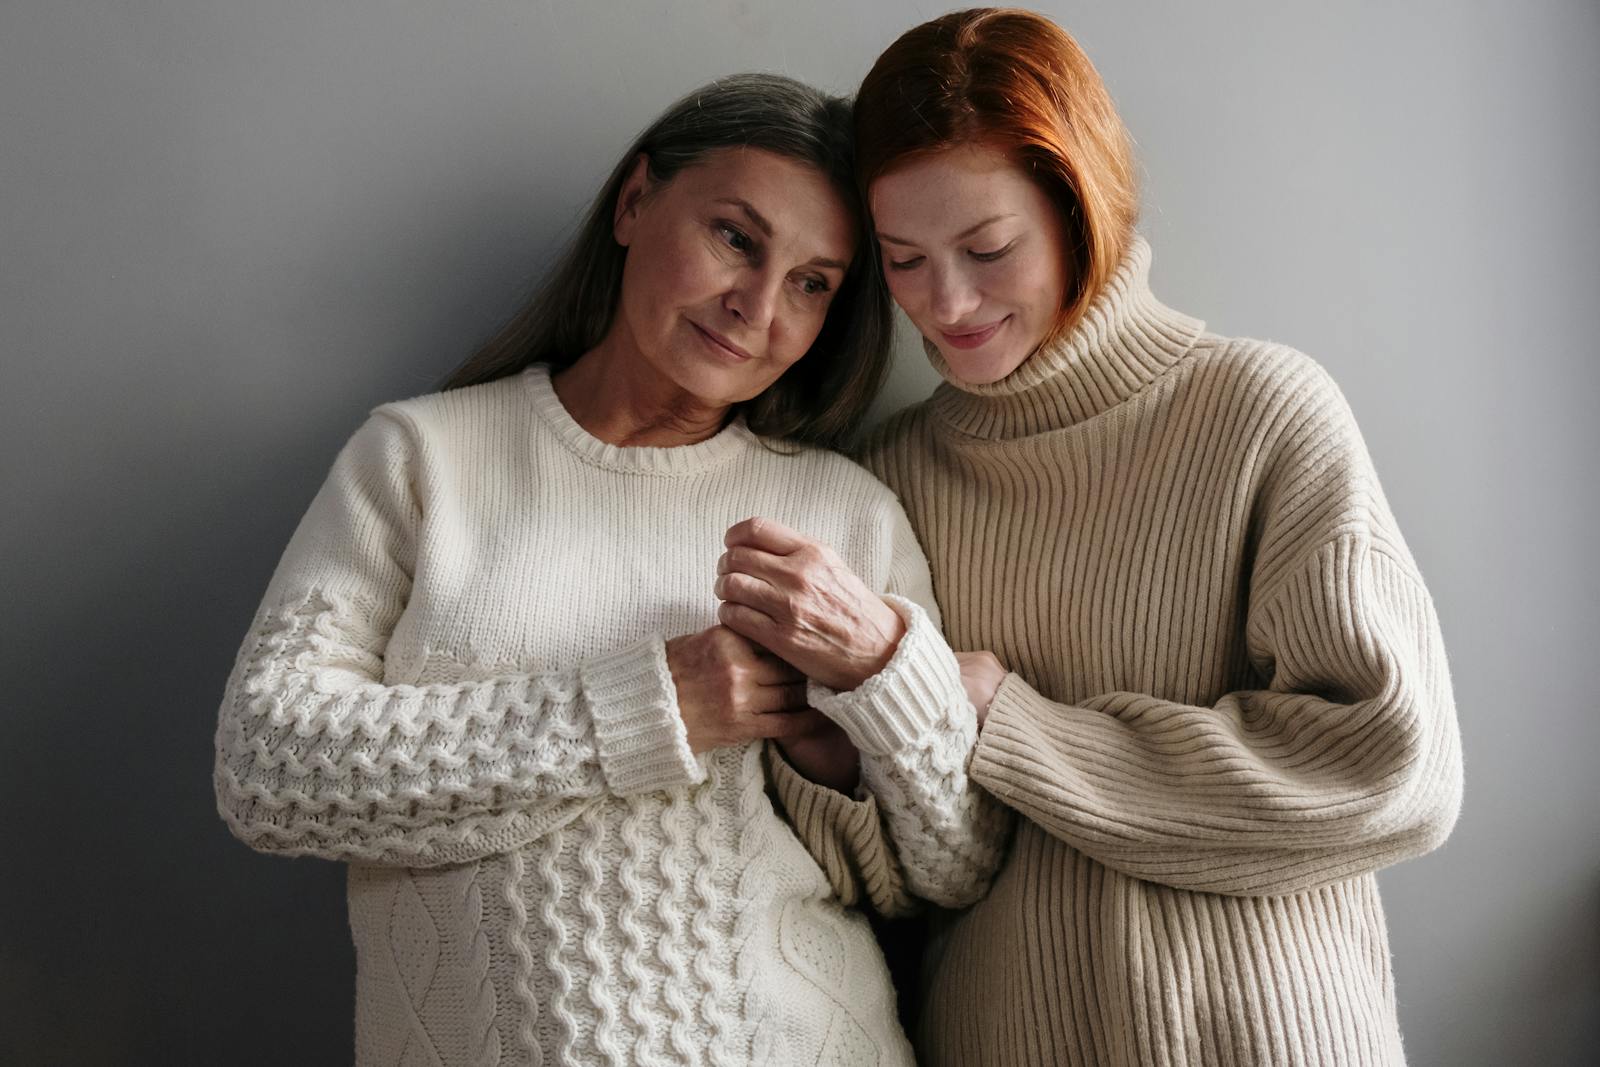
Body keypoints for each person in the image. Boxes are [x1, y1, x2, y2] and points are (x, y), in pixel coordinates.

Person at [722, 10, 1464, 1066]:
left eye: (988, 248)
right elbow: (881, 882)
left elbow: (1392, 770)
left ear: (1081, 208)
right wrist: (835, 750)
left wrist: (1009, 725)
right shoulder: (883, 478)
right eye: (904, 259)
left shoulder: (1258, 410)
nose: (950, 302)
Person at [213, 72, 1000, 1067]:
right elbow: (266, 770)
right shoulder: (420, 458)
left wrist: (878, 683)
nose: (756, 307)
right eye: (734, 238)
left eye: (812, 282)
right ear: (634, 203)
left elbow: (956, 863)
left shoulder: (844, 510)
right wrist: (651, 708)